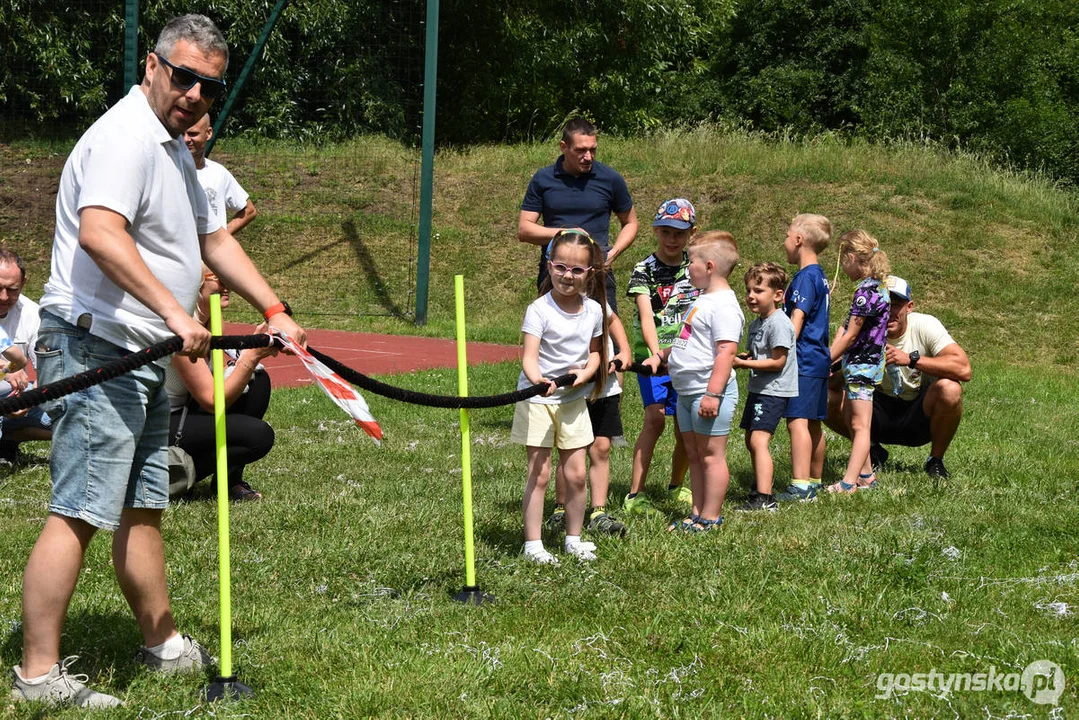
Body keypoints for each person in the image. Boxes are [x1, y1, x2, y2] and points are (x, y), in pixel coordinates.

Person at [11, 14, 307, 709]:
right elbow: (100, 234)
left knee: (144, 506)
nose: (196, 94)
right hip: (98, 345)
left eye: (210, 85)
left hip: (140, 351)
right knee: (79, 510)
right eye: (184, 77)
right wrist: (176, 315)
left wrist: (274, 307)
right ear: (152, 66)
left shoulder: (174, 148)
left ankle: (162, 644)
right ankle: (35, 676)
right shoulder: (124, 138)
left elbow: (213, 241)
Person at [512, 230, 608, 565]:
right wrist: (539, 380)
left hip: (572, 401)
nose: (568, 275)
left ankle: (573, 538)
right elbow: (529, 356)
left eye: (577, 270)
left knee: (576, 475)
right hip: (538, 401)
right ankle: (534, 544)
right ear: (550, 266)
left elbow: (596, 353)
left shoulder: (594, 311)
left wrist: (585, 374)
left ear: (589, 273)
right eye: (561, 267)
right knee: (539, 474)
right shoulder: (539, 309)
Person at [643, 232, 743, 533]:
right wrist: (661, 354)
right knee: (696, 454)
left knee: (711, 455)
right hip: (686, 391)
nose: (688, 269)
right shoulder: (703, 300)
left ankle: (711, 517)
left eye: (692, 263)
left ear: (710, 266)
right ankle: (697, 512)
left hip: (706, 392)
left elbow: (727, 352)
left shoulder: (724, 305)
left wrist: (713, 394)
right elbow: (688, 341)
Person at [827, 275, 971, 479]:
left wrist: (911, 360)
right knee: (824, 399)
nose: (888, 311)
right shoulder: (860, 330)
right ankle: (870, 450)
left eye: (895, 305)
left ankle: (935, 461)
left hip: (918, 414)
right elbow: (831, 383)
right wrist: (852, 361)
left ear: (909, 307)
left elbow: (964, 369)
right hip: (873, 409)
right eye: (883, 303)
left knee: (950, 389)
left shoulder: (925, 325)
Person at [166, 269, 277, 501]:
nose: (228, 285)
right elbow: (212, 401)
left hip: (187, 412)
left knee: (258, 381)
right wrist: (250, 357)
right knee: (259, 436)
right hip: (160, 424)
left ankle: (228, 481)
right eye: (218, 278)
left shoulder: (211, 319)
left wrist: (248, 356)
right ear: (195, 285)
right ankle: (176, 478)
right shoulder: (180, 329)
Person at [623, 198, 698, 514]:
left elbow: (698, 312)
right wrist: (656, 354)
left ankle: (675, 486)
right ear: (655, 231)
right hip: (651, 360)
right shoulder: (644, 269)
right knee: (654, 420)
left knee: (685, 426)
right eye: (665, 232)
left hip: (685, 356)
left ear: (691, 233)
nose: (671, 239)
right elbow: (644, 316)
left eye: (679, 233)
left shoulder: (696, 267)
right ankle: (634, 494)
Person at [518, 117, 638, 312]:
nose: (588, 156)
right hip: (555, 273)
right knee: (552, 337)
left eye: (593, 150)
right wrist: (567, 233)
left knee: (605, 338)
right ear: (564, 147)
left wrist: (612, 254)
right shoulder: (543, 179)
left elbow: (631, 223)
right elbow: (524, 230)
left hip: (597, 272)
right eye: (581, 150)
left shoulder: (610, 179)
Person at [547, 306, 631, 537]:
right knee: (570, 451)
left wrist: (624, 350)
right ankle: (561, 508)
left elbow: (613, 319)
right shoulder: (555, 304)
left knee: (601, 448)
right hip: (572, 392)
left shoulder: (596, 301)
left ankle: (598, 512)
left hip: (604, 388)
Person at [826, 230, 890, 494]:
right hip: (866, 364)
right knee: (854, 421)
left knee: (861, 426)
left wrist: (825, 360)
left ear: (852, 257)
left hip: (863, 366)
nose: (843, 268)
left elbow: (851, 334)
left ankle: (848, 483)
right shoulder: (878, 288)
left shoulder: (864, 293)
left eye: (844, 262)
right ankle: (866, 476)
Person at [775, 214, 832, 502]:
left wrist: (782, 350)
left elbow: (797, 316)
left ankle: (800, 486)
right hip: (819, 358)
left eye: (787, 236)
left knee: (797, 420)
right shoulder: (820, 275)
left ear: (798, 240)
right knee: (813, 422)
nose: (784, 242)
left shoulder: (805, 277)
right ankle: (814, 480)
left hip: (804, 358)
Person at [733, 263, 798, 512]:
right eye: (749, 290)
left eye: (759, 290)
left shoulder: (778, 323)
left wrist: (740, 363)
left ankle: (765, 498)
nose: (751, 296)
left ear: (778, 295)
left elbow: (779, 361)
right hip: (760, 387)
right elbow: (763, 352)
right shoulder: (758, 323)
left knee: (759, 440)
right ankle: (759, 486)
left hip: (774, 390)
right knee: (751, 439)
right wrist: (748, 355)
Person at [0, 250, 52, 462]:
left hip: (14, 396)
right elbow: (16, 363)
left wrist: (27, 401)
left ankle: (9, 438)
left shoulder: (32, 314)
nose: (3, 297)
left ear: (23, 283)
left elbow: (46, 369)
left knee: (70, 417)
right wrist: (6, 371)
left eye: (11, 290)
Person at [183, 113, 258, 235]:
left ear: (208, 133)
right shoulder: (170, 170)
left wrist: (222, 238)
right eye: (181, 133)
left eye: (193, 134)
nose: (186, 139)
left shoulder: (218, 173)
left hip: (210, 252)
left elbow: (249, 210)